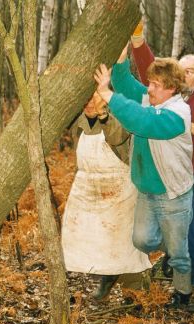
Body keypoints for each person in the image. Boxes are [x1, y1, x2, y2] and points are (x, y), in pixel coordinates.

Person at [131, 22, 194, 312]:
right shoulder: (177, 96)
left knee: (193, 229)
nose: (183, 74)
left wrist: (189, 127)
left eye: (189, 71)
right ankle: (180, 265)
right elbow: (151, 68)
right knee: (178, 231)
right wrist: (138, 43)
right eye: (181, 70)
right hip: (177, 176)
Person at [93, 47, 194, 309]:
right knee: (142, 240)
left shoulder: (178, 114)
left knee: (180, 255)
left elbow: (143, 122)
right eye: (150, 82)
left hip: (173, 194)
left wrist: (108, 95)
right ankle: (172, 243)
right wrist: (120, 57)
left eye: (156, 85)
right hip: (147, 190)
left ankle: (182, 295)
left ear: (171, 89)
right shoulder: (151, 100)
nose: (149, 88)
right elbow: (126, 84)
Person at [61, 92, 151, 301]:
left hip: (119, 188)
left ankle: (135, 291)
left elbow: (118, 136)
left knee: (124, 243)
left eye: (95, 97)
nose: (90, 103)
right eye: (86, 98)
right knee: (90, 239)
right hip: (88, 187)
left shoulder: (119, 115)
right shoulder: (80, 122)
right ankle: (105, 283)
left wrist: (103, 116)